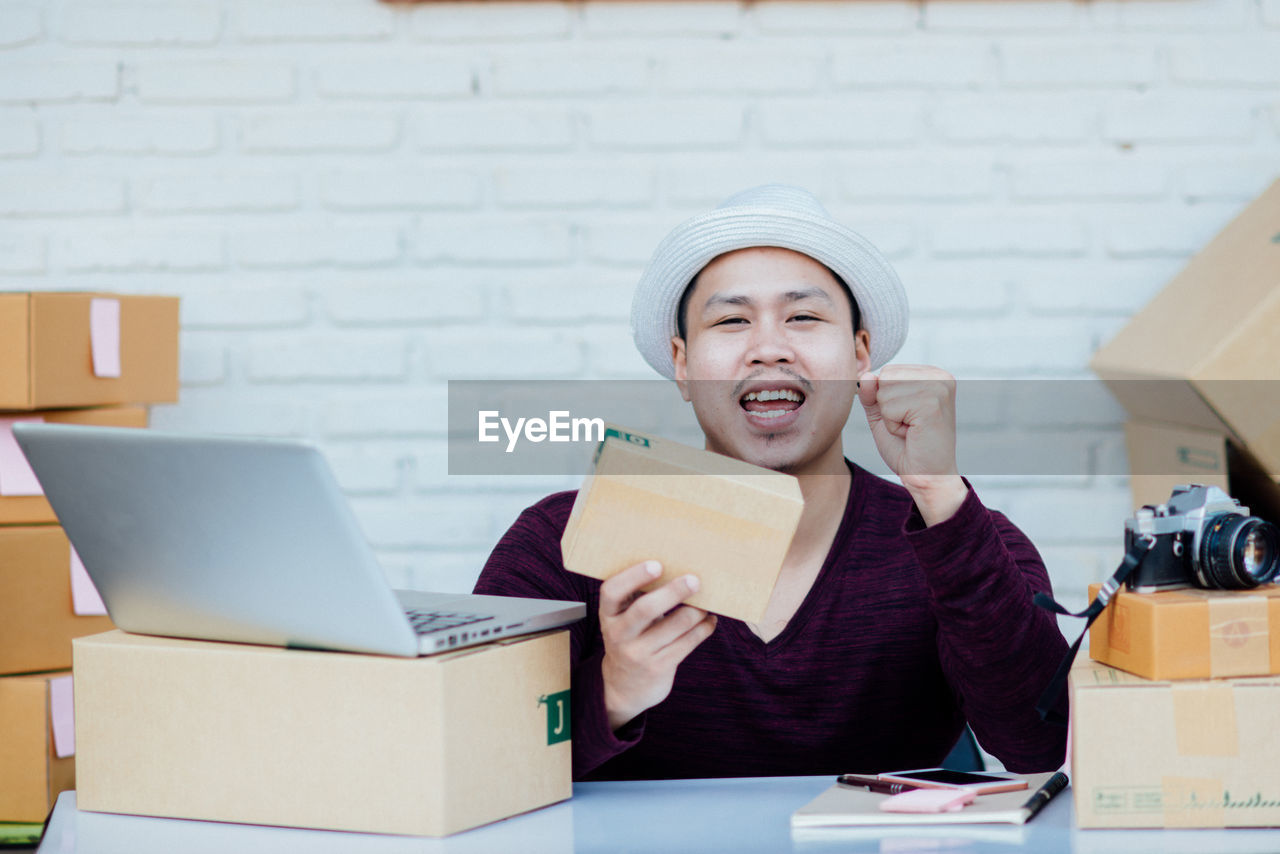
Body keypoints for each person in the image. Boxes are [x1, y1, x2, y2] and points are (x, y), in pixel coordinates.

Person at [474, 185, 1069, 780]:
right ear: (682, 365)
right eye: (732, 320)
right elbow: (476, 761)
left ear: (861, 352)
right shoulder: (557, 543)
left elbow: (1041, 746)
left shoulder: (963, 538)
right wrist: (614, 692)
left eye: (804, 317)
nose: (768, 349)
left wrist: (940, 494)